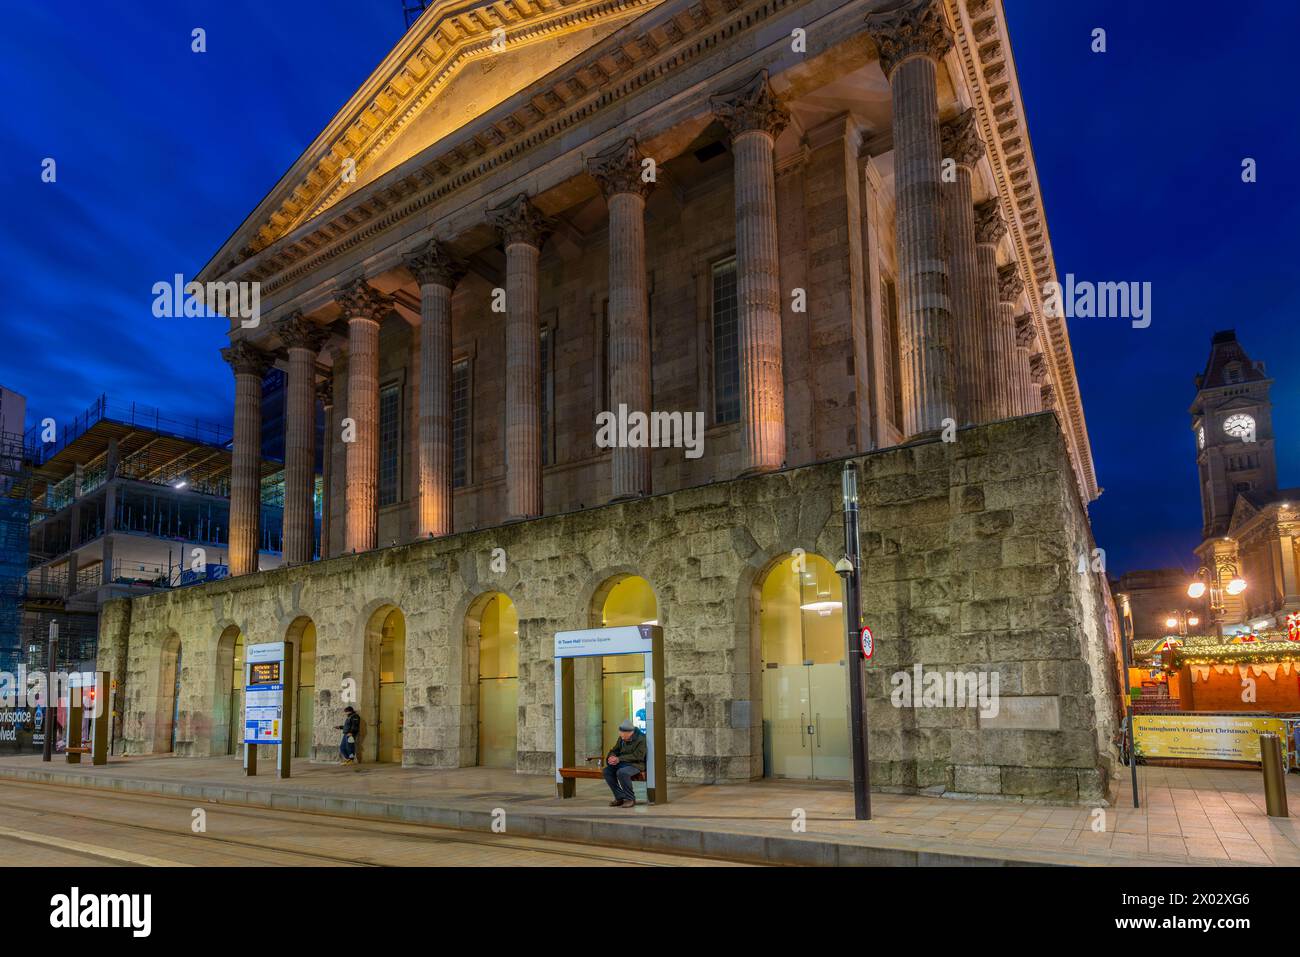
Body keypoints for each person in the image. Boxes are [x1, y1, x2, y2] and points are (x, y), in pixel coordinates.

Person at [603, 719, 646, 808]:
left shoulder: (641, 739)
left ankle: (630, 799)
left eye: (623, 736)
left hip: (636, 764)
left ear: (630, 733)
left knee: (622, 772)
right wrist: (611, 757)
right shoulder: (622, 738)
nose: (622, 738)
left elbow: (638, 756)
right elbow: (614, 750)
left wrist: (619, 759)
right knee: (607, 771)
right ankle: (620, 797)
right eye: (621, 736)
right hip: (622, 762)